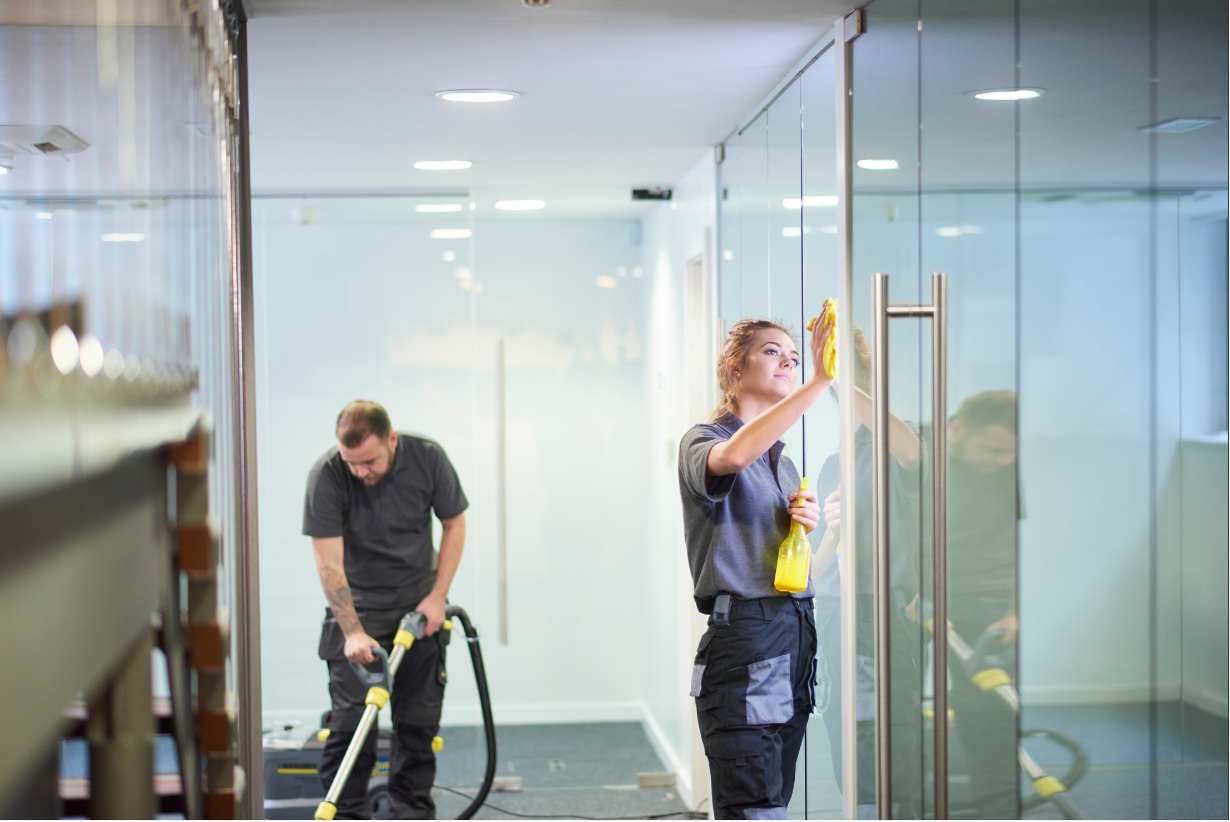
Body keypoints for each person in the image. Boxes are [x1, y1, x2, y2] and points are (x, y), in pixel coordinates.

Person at [677, 317, 830, 820]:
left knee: (774, 802)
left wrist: (803, 530)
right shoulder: (704, 439)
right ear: (734, 368)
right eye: (771, 352)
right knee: (754, 807)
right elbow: (734, 455)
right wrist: (818, 382)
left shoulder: (781, 462)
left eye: (793, 354)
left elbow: (789, 566)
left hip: (792, 633)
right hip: (746, 639)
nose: (788, 359)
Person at [303, 400, 468, 819]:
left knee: (417, 728)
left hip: (420, 611)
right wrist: (353, 631)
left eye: (369, 461)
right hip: (357, 614)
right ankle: (348, 815)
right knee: (350, 730)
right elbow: (328, 563)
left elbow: (454, 524)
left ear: (391, 440)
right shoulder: (327, 475)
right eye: (351, 462)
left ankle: (409, 813)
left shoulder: (428, 459)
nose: (360, 472)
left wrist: (437, 597)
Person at [808, 325, 924, 819]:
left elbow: (911, 450)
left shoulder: (895, 444)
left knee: (891, 727)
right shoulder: (834, 463)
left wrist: (837, 375)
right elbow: (814, 568)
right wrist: (832, 531)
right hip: (836, 610)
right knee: (845, 727)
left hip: (883, 610)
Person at [945, 390, 1020, 819]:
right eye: (992, 449)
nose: (1002, 460)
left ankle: (996, 807)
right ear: (957, 430)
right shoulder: (921, 459)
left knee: (988, 708)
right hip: (919, 595)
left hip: (988, 599)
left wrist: (1014, 611)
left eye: (1009, 452)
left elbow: (1018, 543)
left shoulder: (1010, 472)